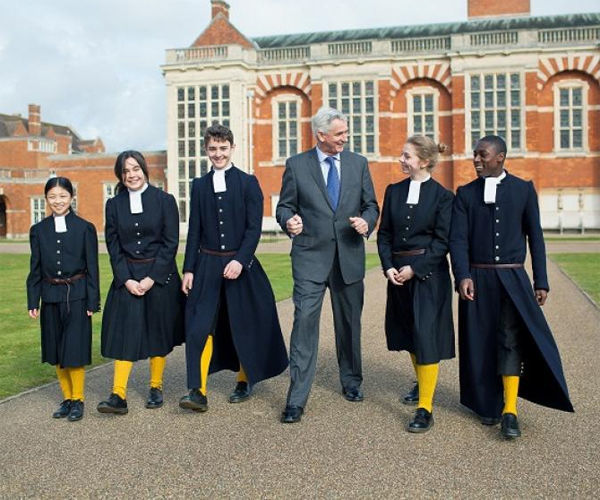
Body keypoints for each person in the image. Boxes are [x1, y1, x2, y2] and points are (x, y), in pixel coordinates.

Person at [449, 135, 573, 439]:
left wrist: (540, 279)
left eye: (483, 155)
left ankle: (510, 411)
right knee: (479, 342)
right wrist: (462, 274)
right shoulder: (465, 194)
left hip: (512, 279)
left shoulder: (523, 190)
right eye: (474, 155)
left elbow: (536, 237)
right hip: (477, 279)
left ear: (501, 157)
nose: (476, 160)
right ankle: (485, 404)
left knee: (509, 341)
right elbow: (458, 239)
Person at [276, 106, 379, 423]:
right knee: (304, 323)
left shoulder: (358, 164)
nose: (345, 139)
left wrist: (366, 222)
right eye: (339, 134)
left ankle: (351, 381)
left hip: (348, 256)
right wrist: (288, 221)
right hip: (309, 257)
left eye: (345, 133)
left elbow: (371, 205)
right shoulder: (296, 165)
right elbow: (285, 206)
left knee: (349, 324)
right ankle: (296, 398)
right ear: (320, 135)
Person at [179, 124, 288, 412]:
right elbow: (195, 231)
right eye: (213, 149)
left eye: (223, 148)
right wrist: (188, 268)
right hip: (207, 265)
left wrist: (240, 260)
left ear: (232, 149)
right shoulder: (199, 185)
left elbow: (253, 229)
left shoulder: (248, 182)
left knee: (244, 324)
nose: (218, 154)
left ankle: (244, 379)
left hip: (241, 265)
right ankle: (197, 390)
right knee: (199, 327)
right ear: (206, 150)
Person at [377, 136, 454, 433]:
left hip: (427, 276)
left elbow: (442, 241)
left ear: (423, 160)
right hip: (397, 274)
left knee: (426, 337)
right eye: (402, 154)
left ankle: (425, 407)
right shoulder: (394, 191)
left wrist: (415, 269)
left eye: (406, 155)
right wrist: (388, 267)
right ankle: (422, 385)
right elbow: (384, 235)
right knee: (409, 335)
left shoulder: (443, 196)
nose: (401, 159)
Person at [97, 150, 184, 415]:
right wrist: (126, 280)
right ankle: (118, 394)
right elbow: (113, 246)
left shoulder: (164, 200)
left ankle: (155, 387)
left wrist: (150, 279)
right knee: (125, 333)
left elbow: (170, 244)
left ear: (144, 170)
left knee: (158, 333)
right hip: (127, 278)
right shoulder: (113, 205)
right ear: (120, 176)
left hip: (158, 277)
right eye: (125, 171)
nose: (131, 175)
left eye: (135, 169)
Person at [27, 176, 100, 422]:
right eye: (52, 197)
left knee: (75, 350)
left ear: (71, 197)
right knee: (57, 351)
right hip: (50, 297)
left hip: (78, 296)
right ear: (46, 199)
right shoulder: (38, 230)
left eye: (62, 196)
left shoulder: (85, 228)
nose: (57, 201)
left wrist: (92, 301)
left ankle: (78, 399)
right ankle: (67, 399)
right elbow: (35, 268)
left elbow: (93, 268)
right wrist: (32, 301)